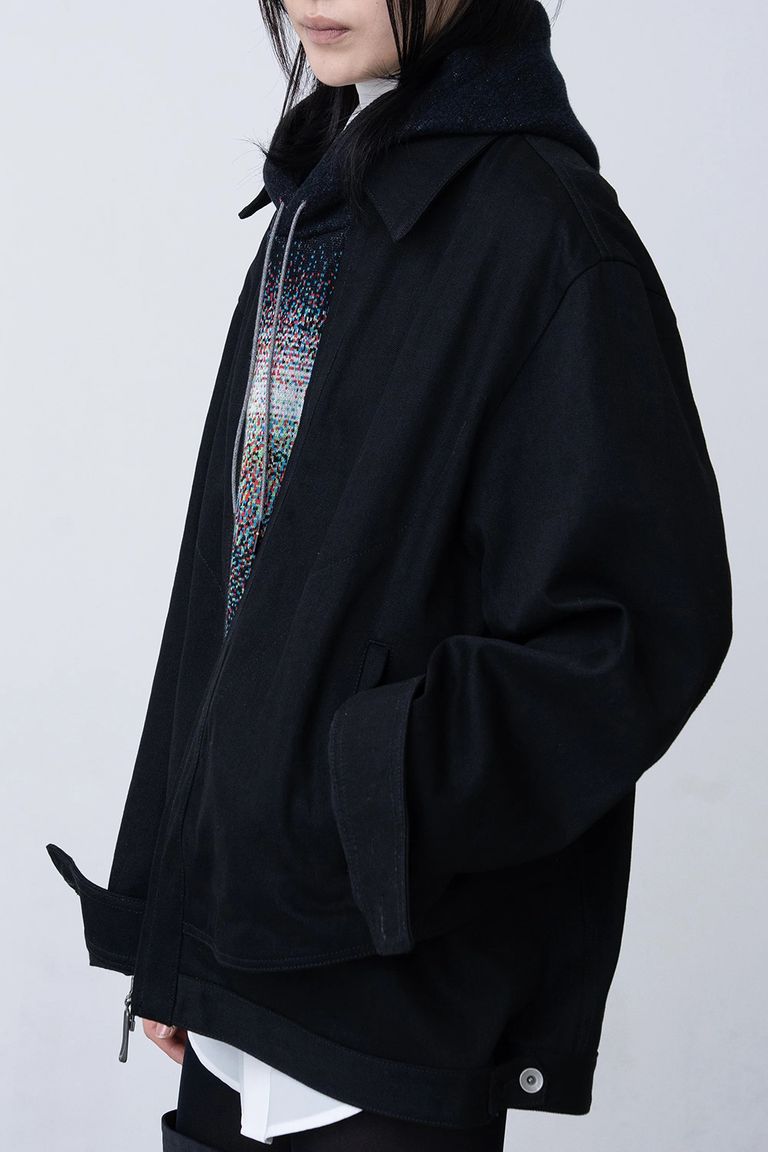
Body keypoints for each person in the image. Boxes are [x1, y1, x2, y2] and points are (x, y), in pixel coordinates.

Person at [45, 0, 733, 1149]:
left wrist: (368, 801)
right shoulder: (319, 205)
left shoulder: (549, 238)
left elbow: (632, 631)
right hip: (232, 1010)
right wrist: (175, 923)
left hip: (388, 1023)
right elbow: (233, 598)